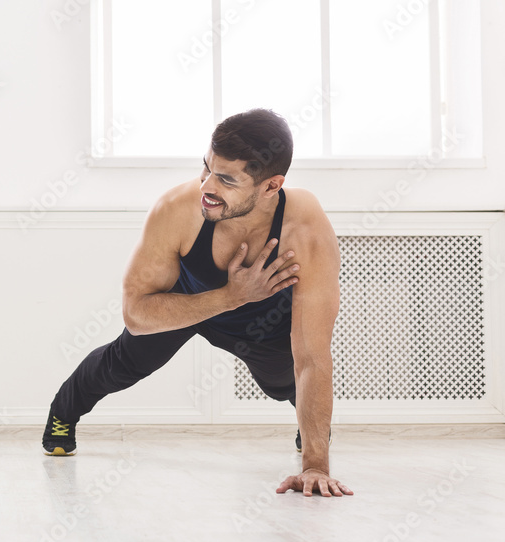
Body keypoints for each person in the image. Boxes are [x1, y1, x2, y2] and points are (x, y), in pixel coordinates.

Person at [42, 109, 353, 498]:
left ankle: (309, 435)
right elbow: (136, 316)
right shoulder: (177, 209)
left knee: (286, 378)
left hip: (260, 312)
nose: (206, 185)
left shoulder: (305, 228)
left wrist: (315, 466)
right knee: (122, 363)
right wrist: (231, 296)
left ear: (271, 186)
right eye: (205, 168)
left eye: (225, 179)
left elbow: (313, 357)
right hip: (186, 300)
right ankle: (62, 415)